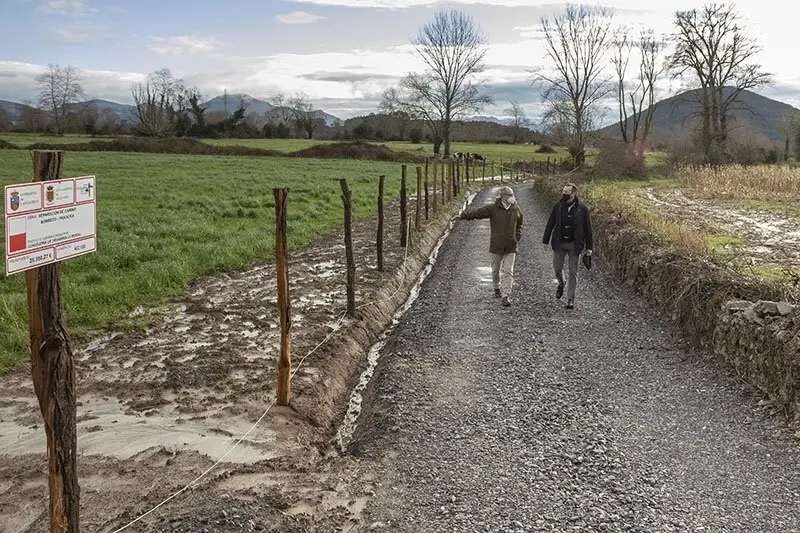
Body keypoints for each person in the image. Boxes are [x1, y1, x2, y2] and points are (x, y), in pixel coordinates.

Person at [459, 186, 523, 307]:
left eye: (512, 195)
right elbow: (478, 213)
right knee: (495, 270)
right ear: (503, 196)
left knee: (508, 271)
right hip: (497, 245)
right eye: (509, 195)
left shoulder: (516, 209)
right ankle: (496, 288)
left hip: (511, 246)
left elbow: (520, 223)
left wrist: (517, 236)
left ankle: (506, 295)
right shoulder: (493, 208)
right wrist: (463, 215)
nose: (512, 197)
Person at [542, 182, 593, 309]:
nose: (564, 194)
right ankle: (561, 283)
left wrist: (589, 248)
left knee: (573, 272)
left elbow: (588, 229)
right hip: (559, 242)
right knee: (557, 268)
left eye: (567, 192)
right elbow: (550, 223)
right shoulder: (558, 206)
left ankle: (571, 299)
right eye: (563, 191)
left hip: (575, 245)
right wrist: (545, 240)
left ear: (574, 193)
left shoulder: (583, 209)